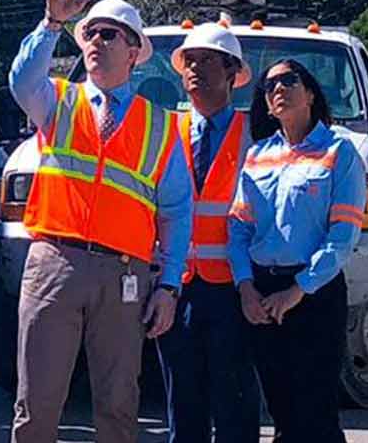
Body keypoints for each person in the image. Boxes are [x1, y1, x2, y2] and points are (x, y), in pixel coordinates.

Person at [8, 0, 193, 443]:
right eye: (90, 33)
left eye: (109, 35)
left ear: (134, 51)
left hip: (125, 275)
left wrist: (169, 286)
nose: (95, 41)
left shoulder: (162, 126)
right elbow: (21, 81)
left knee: (118, 405)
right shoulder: (57, 100)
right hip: (54, 263)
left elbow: (175, 214)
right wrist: (52, 24)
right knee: (38, 403)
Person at [229, 60, 367, 443]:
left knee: (316, 410)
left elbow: (343, 236)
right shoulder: (257, 155)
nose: (278, 89)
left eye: (289, 80)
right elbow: (239, 229)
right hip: (262, 294)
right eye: (269, 85)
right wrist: (245, 287)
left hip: (314, 294)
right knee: (282, 409)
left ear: (309, 93)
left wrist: (298, 291)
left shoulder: (340, 152)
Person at [158, 24, 261, 443]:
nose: (195, 70)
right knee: (184, 408)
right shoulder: (166, 131)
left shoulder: (256, 135)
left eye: (206, 61)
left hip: (233, 291)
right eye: (189, 62)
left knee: (234, 404)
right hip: (177, 287)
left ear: (233, 72)